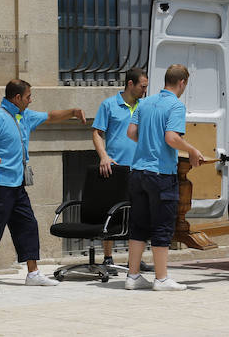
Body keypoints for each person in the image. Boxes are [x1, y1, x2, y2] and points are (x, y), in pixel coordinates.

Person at [0, 79, 86, 286]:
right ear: (17, 98)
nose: (31, 100)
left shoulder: (25, 117)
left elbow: (50, 116)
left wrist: (73, 111)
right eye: (28, 96)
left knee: (28, 225)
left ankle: (32, 273)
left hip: (17, 185)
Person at [124, 64, 204, 291]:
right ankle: (161, 278)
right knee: (162, 226)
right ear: (182, 83)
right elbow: (171, 137)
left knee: (138, 225)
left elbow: (131, 133)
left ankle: (133, 276)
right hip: (160, 174)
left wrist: (148, 143)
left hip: (138, 171)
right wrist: (191, 150)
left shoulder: (145, 102)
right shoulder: (176, 106)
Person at [91, 67, 154, 274]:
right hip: (115, 169)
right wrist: (104, 156)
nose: (145, 90)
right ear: (130, 84)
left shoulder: (146, 106)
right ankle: (108, 258)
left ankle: (134, 260)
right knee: (111, 213)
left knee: (139, 214)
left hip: (140, 168)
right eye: (142, 86)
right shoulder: (109, 105)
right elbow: (97, 133)